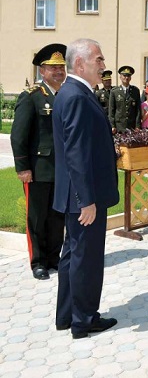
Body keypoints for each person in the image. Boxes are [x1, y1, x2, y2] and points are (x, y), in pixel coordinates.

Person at [52, 38, 120, 339]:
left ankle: (67, 315)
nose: (104, 66)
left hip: (76, 194)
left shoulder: (73, 92)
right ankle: (84, 320)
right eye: (99, 60)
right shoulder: (77, 96)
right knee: (87, 259)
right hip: (84, 197)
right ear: (80, 63)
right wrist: (87, 201)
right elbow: (76, 153)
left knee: (72, 256)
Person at [11, 43, 67, 280]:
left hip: (62, 171)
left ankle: (55, 258)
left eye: (61, 67)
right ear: (41, 71)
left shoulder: (65, 96)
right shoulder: (31, 97)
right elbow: (18, 135)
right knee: (37, 217)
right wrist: (23, 167)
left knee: (57, 217)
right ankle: (38, 262)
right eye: (53, 68)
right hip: (38, 169)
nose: (58, 72)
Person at [108, 65, 141, 133]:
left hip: (132, 126)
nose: (126, 78)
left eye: (128, 76)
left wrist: (137, 126)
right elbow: (111, 110)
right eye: (124, 75)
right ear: (120, 77)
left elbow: (138, 110)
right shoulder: (114, 91)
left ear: (130, 78)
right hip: (119, 126)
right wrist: (112, 125)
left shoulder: (135, 91)